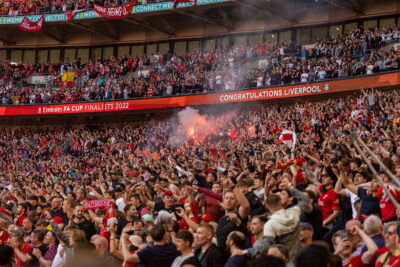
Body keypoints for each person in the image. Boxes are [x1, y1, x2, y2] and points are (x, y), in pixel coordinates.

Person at [233, 179, 309, 260]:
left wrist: (245, 252)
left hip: (285, 261)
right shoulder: (293, 211)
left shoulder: (270, 224)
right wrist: (290, 186)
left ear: (267, 207)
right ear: (280, 202)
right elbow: (305, 199)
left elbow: (265, 247)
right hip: (301, 258)